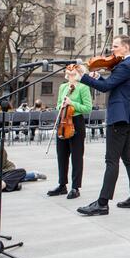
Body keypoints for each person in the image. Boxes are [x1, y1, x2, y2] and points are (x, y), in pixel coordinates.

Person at [77, 35, 130, 216]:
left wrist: (83, 76)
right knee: (128, 158)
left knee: (111, 160)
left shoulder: (125, 65)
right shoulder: (126, 65)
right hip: (125, 116)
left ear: (126, 48)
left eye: (115, 46)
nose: (111, 50)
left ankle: (102, 203)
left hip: (119, 117)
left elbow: (105, 88)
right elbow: (110, 84)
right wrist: (97, 76)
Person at [47, 65, 93, 199]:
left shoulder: (83, 87)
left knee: (77, 156)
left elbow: (87, 108)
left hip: (76, 123)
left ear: (79, 74)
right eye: (68, 74)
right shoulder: (63, 87)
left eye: (73, 74)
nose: (70, 76)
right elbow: (57, 105)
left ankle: (75, 187)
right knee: (61, 155)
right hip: (62, 121)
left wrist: (72, 103)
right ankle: (62, 185)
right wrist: (61, 105)